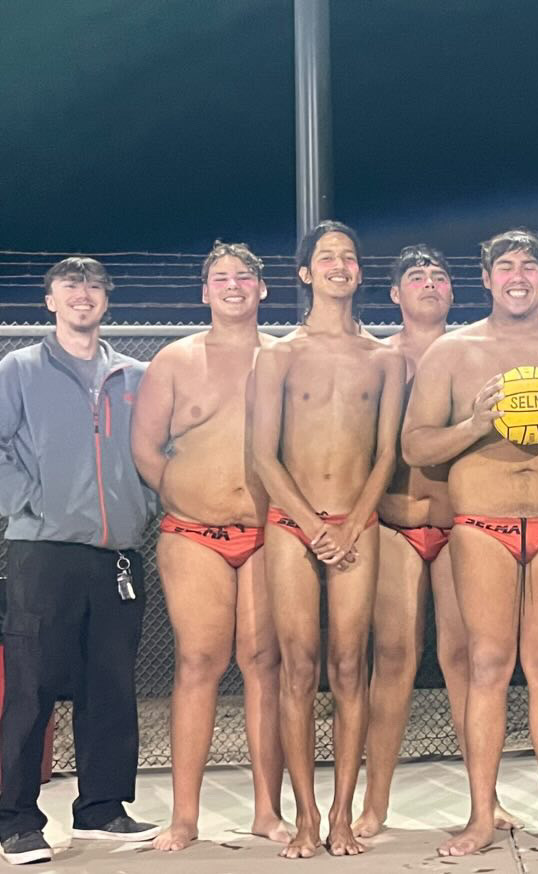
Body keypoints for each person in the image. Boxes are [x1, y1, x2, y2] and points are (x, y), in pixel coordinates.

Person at [401, 228, 538, 856]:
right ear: (487, 277)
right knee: (488, 667)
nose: (518, 275)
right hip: (482, 526)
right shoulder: (453, 351)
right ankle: (481, 817)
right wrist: (475, 423)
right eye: (506, 266)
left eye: (529, 265)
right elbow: (415, 446)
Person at [252, 221, 406, 858]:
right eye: (326, 258)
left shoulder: (386, 358)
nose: (339, 265)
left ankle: (343, 813)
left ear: (359, 272)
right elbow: (263, 456)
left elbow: (387, 453)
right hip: (294, 524)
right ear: (305, 274)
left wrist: (350, 524)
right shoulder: (279, 355)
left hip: (358, 522)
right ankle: (307, 818)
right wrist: (314, 527)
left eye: (348, 257)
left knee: (350, 666)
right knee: (298, 668)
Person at [353, 245, 518, 837]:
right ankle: (375, 803)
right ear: (394, 294)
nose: (429, 283)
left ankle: (486, 798)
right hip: (394, 523)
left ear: (455, 292)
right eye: (415, 277)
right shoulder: (375, 358)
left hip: (461, 525)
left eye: (439, 276)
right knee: (392, 659)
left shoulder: (476, 354)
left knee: (466, 659)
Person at [0, 258, 159, 865]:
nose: (83, 295)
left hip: (115, 554)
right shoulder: (19, 369)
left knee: (111, 688)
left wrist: (141, 505)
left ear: (105, 300)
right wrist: (28, 502)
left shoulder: (136, 375)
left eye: (93, 286)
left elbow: (157, 451)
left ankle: (102, 809)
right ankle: (15, 819)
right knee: (30, 688)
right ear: (50, 302)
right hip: (40, 551)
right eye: (70, 286)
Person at [131, 242, 287, 851]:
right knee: (199, 663)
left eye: (244, 277)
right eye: (220, 277)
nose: (232, 285)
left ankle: (267, 810)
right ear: (204, 291)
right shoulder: (174, 359)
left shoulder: (286, 357)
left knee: (264, 665)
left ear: (262, 289)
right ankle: (185, 816)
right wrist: (188, 494)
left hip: (270, 535)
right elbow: (146, 451)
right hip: (193, 535)